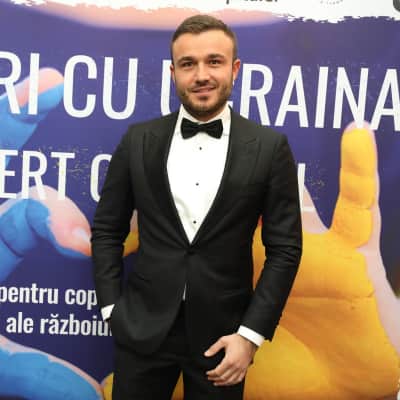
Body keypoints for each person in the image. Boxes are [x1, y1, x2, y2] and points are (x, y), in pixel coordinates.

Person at [91, 14, 302, 400]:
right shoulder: (138, 140)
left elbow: (285, 250)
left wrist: (250, 336)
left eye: (214, 61)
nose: (201, 75)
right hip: (142, 331)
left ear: (234, 69)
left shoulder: (270, 149)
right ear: (174, 73)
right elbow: (107, 229)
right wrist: (111, 310)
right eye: (188, 64)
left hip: (225, 338)